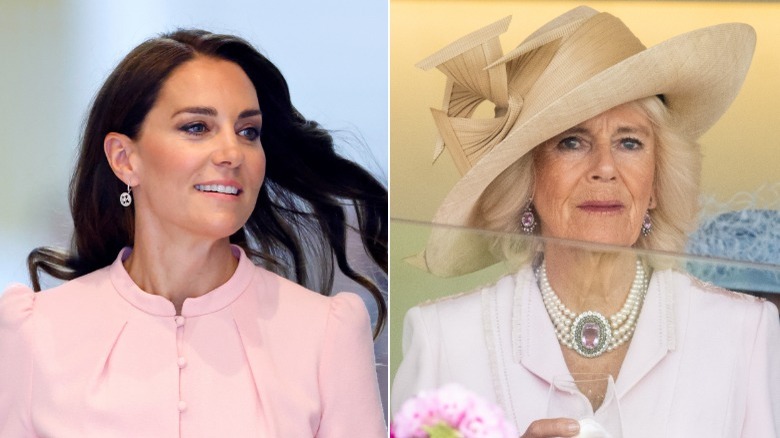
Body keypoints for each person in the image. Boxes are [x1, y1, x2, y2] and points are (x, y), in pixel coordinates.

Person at [391, 6, 779, 437]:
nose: (605, 168)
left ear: (656, 183)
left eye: (629, 142)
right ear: (528, 177)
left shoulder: (743, 332)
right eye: (572, 142)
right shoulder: (445, 339)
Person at [0, 29, 387, 436]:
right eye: (197, 127)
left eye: (248, 132)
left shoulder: (327, 332)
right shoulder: (33, 332)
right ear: (124, 159)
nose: (232, 153)